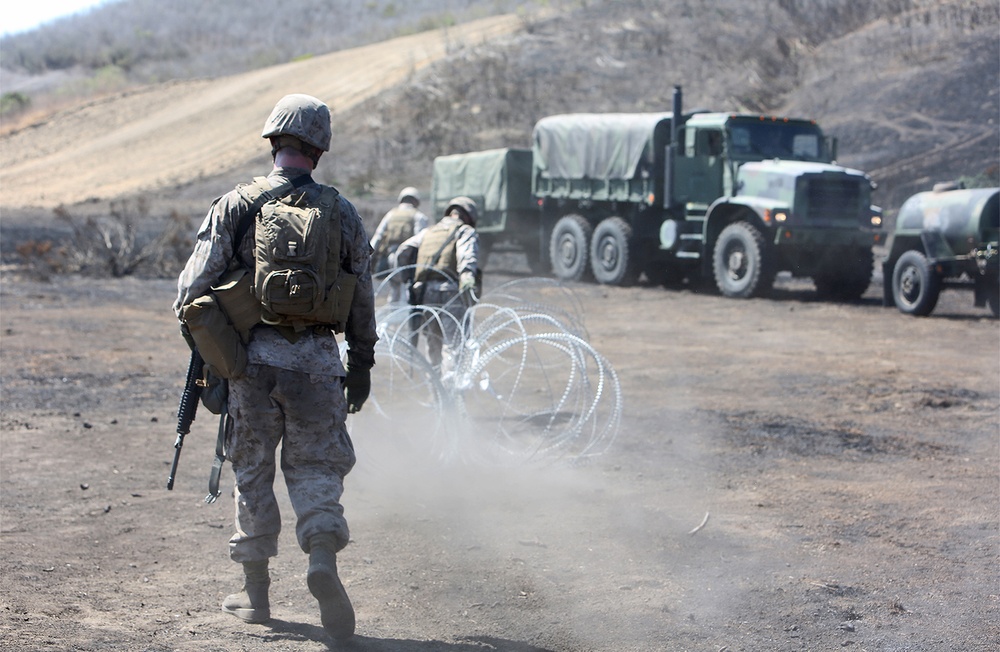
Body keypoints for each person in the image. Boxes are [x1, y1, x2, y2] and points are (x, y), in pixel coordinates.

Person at [172, 93, 377, 643]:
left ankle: (255, 595)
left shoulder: (237, 205)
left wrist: (217, 354)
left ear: (272, 142)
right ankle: (321, 559)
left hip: (251, 366)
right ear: (320, 148)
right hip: (317, 366)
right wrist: (361, 366)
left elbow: (189, 293)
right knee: (316, 471)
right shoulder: (344, 212)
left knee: (252, 472)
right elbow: (362, 300)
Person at [394, 196, 480, 373]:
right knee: (454, 346)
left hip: (425, 293)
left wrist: (407, 280)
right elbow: (466, 256)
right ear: (469, 216)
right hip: (451, 293)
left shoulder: (428, 232)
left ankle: (436, 393)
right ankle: (451, 393)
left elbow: (403, 251)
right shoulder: (464, 231)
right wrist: (467, 277)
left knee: (433, 345)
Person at [369, 187, 429, 303]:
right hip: (408, 259)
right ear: (416, 201)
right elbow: (421, 240)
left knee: (394, 289)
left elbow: (378, 236)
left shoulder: (391, 215)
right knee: (407, 288)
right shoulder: (418, 216)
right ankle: (404, 318)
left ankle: (392, 316)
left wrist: (368, 256)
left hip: (390, 257)